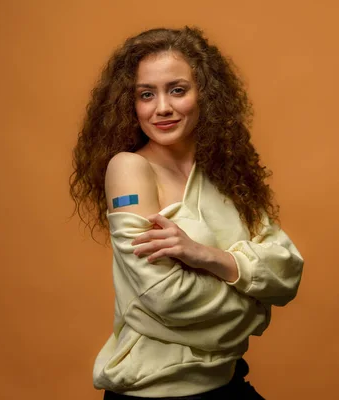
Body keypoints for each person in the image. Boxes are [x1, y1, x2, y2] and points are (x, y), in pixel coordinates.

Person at [69, 26, 304, 399]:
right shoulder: (129, 169)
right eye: (146, 95)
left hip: (227, 383)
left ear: (205, 95)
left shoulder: (226, 173)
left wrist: (207, 256)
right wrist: (254, 306)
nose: (162, 107)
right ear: (130, 105)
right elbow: (166, 296)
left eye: (177, 90)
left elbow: (287, 270)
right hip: (154, 393)